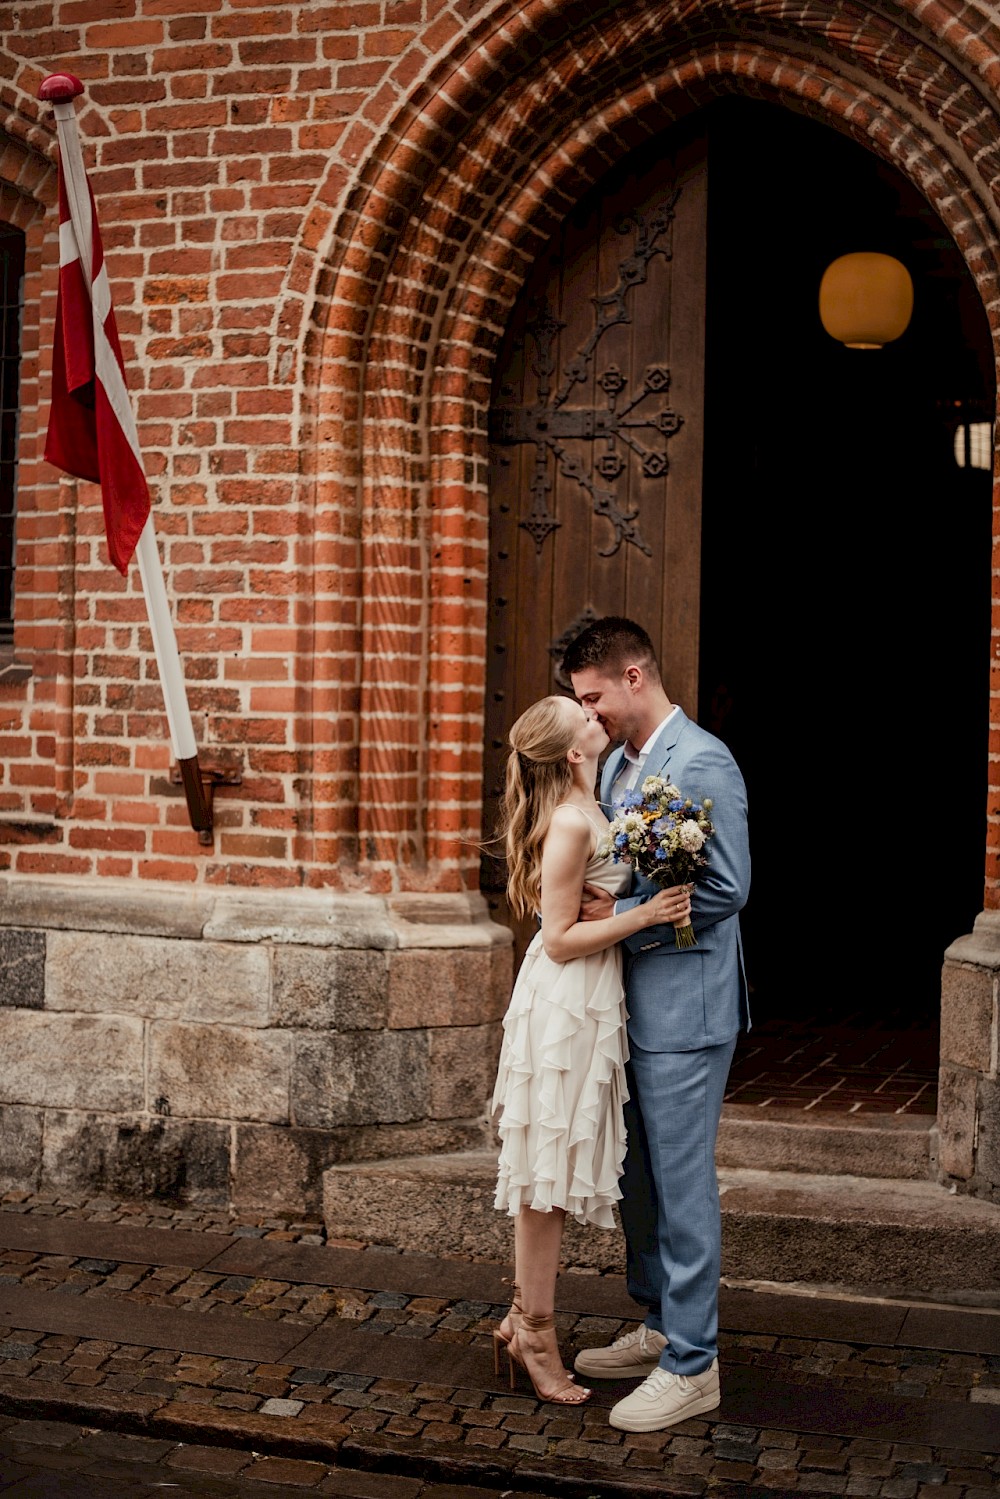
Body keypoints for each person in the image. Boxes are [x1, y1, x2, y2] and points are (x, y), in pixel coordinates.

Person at [562, 616, 751, 1434]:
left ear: (634, 676)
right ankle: (660, 1320)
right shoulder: (616, 768)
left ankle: (694, 1362)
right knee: (637, 1182)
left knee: (680, 1185)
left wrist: (629, 911)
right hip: (625, 1003)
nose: (589, 715)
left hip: (685, 1007)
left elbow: (728, 887)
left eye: (594, 698)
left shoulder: (703, 759)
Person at [490, 693, 692, 1406]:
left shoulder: (594, 803)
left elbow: (578, 908)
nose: (588, 708)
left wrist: (622, 897)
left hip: (588, 1001)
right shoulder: (575, 820)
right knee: (546, 1179)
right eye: (574, 710)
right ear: (574, 750)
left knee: (552, 1174)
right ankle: (535, 1330)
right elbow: (557, 937)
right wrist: (643, 911)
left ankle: (525, 1320)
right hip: (565, 1004)